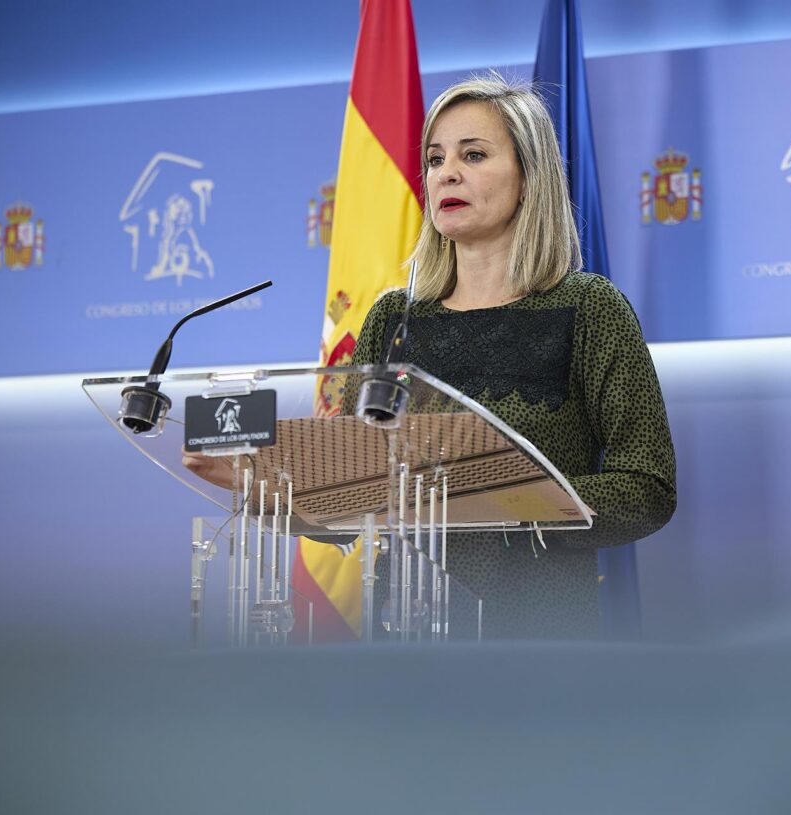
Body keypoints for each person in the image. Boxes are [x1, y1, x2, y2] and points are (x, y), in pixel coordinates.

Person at [186, 74, 676, 640]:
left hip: (540, 639)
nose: (447, 172)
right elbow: (354, 498)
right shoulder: (394, 320)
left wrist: (499, 496)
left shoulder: (589, 308)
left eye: (474, 154)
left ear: (530, 176)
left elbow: (646, 489)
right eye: (436, 158)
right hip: (407, 634)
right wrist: (267, 488)